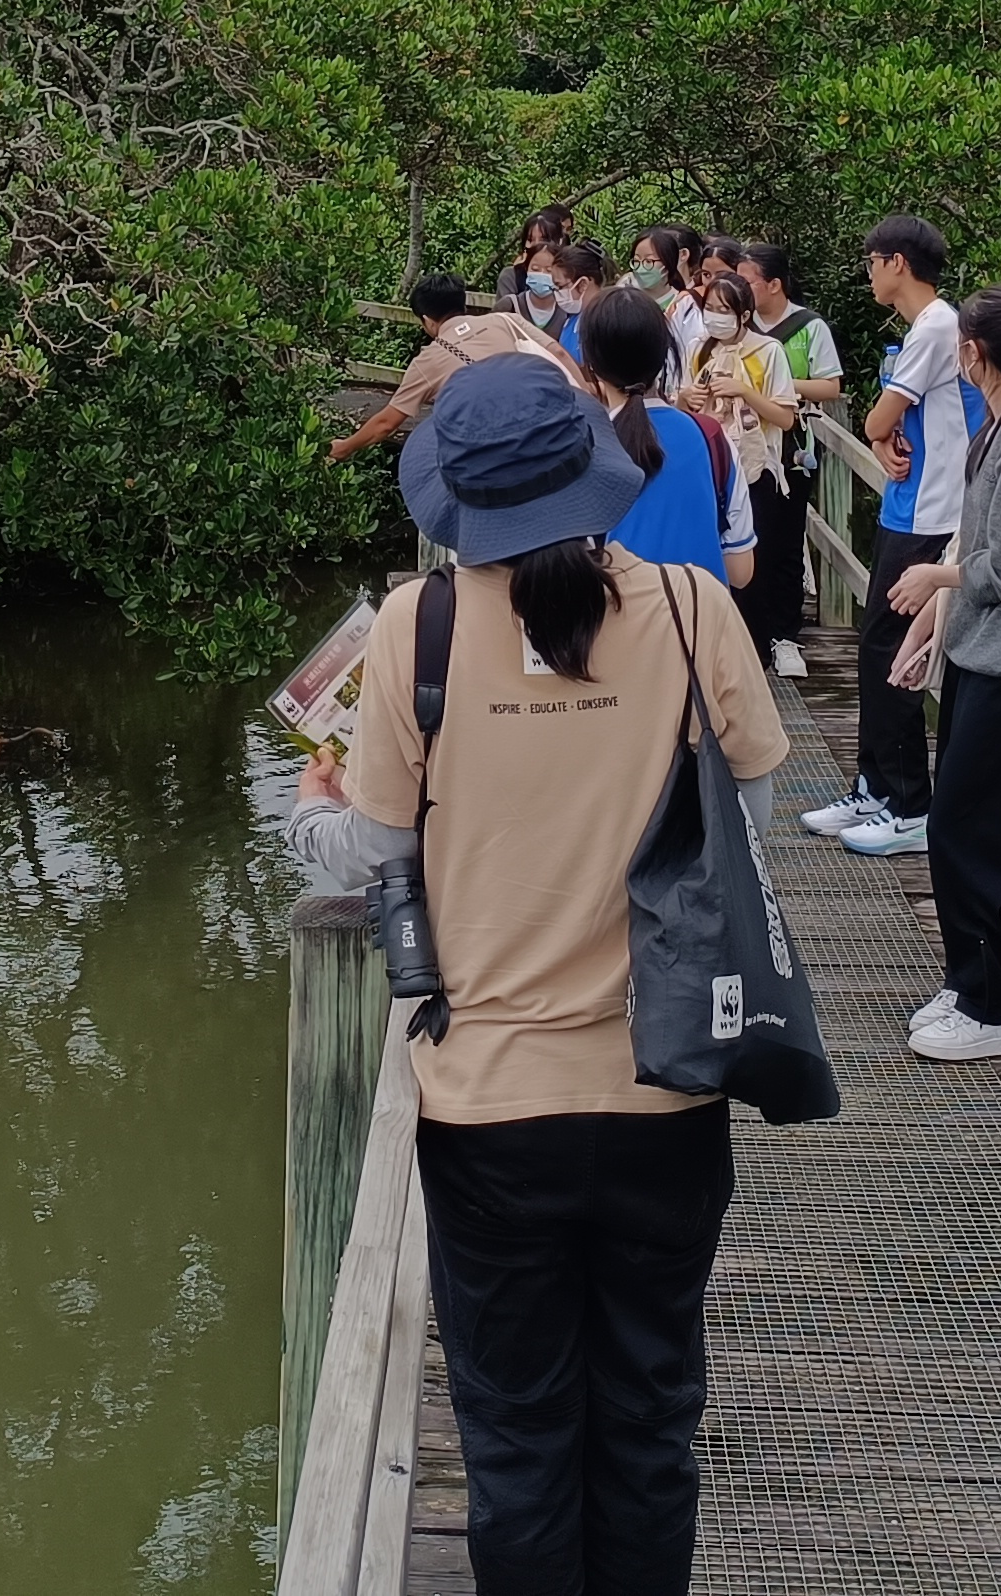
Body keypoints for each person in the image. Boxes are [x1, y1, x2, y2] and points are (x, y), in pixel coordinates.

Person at [285, 359, 788, 1596]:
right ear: (597, 470)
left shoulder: (419, 625)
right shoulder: (690, 608)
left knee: (516, 1439)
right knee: (650, 1423)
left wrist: (309, 812)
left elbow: (379, 848)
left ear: (457, 498)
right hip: (669, 1084)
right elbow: (749, 825)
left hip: (489, 1110)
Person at [871, 286, 1001, 1052]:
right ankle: (967, 983)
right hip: (979, 653)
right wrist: (931, 631)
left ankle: (992, 1009)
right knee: (953, 826)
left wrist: (935, 579)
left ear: (974, 353)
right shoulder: (1000, 427)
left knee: (966, 831)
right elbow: (977, 545)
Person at [797, 216, 963, 859]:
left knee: (892, 652)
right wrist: (884, 436)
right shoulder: (925, 330)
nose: (868, 274)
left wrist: (878, 430)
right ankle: (874, 787)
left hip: (931, 515)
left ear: (897, 262)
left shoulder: (937, 326)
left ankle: (909, 805)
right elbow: (892, 424)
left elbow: (878, 416)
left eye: (871, 262)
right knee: (874, 649)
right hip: (906, 507)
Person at [574, 288, 735, 592]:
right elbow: (741, 570)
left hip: (619, 614)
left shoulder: (582, 448)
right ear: (664, 355)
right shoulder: (711, 437)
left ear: (591, 363)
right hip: (702, 615)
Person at [330, 274, 582, 466]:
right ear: (463, 303)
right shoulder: (505, 320)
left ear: (427, 320)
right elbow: (558, 353)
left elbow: (386, 424)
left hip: (494, 450)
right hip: (546, 422)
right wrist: (588, 392)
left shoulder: (427, 361)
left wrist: (345, 447)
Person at [741, 245, 842, 674]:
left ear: (774, 284)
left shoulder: (809, 326)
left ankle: (785, 635)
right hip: (745, 449)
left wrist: (779, 383)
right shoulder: (738, 326)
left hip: (791, 447)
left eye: (747, 281)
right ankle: (751, 634)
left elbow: (831, 386)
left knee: (785, 542)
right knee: (748, 540)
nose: (740, 288)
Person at [671, 268, 796, 617]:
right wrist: (685, 398)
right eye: (710, 308)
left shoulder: (768, 350)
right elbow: (679, 405)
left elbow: (786, 417)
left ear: (744, 315)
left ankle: (755, 640)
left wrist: (743, 391)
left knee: (755, 564)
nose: (715, 316)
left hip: (755, 469)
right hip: (707, 466)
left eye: (724, 310)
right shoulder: (697, 349)